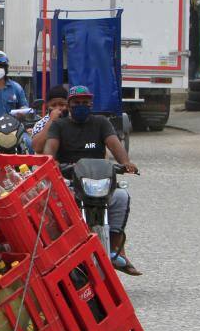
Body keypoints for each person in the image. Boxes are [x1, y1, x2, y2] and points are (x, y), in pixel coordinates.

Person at [43, 85, 141, 276]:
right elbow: (49, 152)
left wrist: (126, 162)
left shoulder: (101, 123)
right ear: (69, 105)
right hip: (71, 182)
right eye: (77, 103)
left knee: (121, 196)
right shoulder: (59, 126)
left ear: (91, 104)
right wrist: (53, 164)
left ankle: (114, 249)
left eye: (85, 103)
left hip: (99, 181)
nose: (81, 106)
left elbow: (114, 143)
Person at [30, 83, 70, 154]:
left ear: (68, 105)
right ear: (47, 106)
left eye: (62, 104)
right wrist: (52, 121)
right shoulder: (41, 124)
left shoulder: (73, 119)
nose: (58, 108)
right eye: (53, 105)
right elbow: (37, 148)